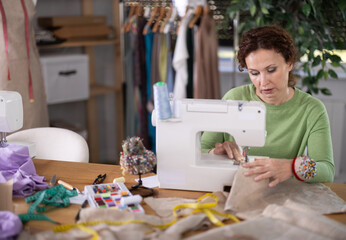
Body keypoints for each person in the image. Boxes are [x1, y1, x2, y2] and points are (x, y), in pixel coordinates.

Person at [201, 25, 334, 187]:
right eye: (254, 73)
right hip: (233, 188)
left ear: (290, 63)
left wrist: (293, 167)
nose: (263, 82)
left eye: (271, 70)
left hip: (282, 193)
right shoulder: (233, 98)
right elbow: (201, 149)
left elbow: (326, 171)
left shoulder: (312, 109)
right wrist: (215, 153)